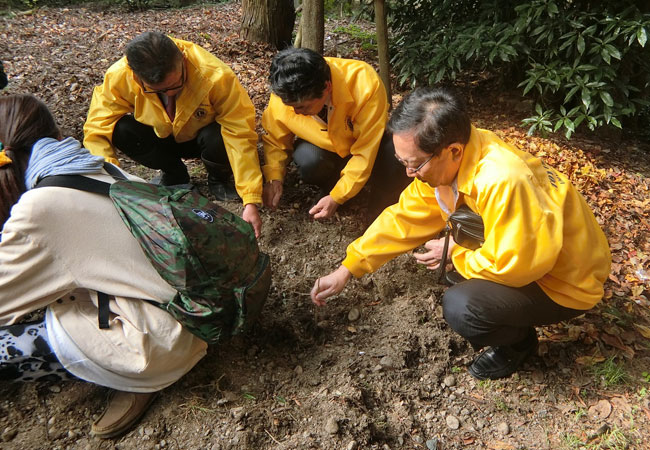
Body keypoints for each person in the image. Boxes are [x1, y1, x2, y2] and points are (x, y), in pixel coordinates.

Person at [310, 87, 611, 380]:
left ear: (452, 150)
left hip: (566, 282)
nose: (408, 174)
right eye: (403, 162)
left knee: (462, 307)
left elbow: (518, 265)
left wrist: (456, 253)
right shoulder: (459, 154)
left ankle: (519, 344)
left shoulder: (502, 180)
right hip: (534, 252)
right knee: (462, 249)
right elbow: (404, 219)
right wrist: (348, 268)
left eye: (414, 165)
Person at [0, 94, 208, 438]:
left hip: (156, 342)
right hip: (195, 315)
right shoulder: (90, 166)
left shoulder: (39, 210)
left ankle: (132, 376)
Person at [83, 31, 263, 237]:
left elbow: (240, 131)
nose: (169, 93)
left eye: (176, 85)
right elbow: (97, 128)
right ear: (134, 75)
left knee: (219, 133)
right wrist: (110, 184)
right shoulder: (119, 76)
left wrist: (250, 197)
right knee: (120, 129)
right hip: (160, 138)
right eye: (157, 89)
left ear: (183, 59)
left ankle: (218, 178)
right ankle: (174, 173)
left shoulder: (215, 75)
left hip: (202, 137)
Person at [261, 48, 408, 219]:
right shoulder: (285, 93)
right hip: (326, 147)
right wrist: (274, 178)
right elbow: (275, 141)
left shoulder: (363, 82)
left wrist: (338, 196)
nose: (295, 112)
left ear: (327, 87)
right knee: (309, 158)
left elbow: (365, 152)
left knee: (394, 151)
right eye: (291, 106)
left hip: (368, 148)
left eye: (303, 107)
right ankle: (330, 186)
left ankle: (379, 209)